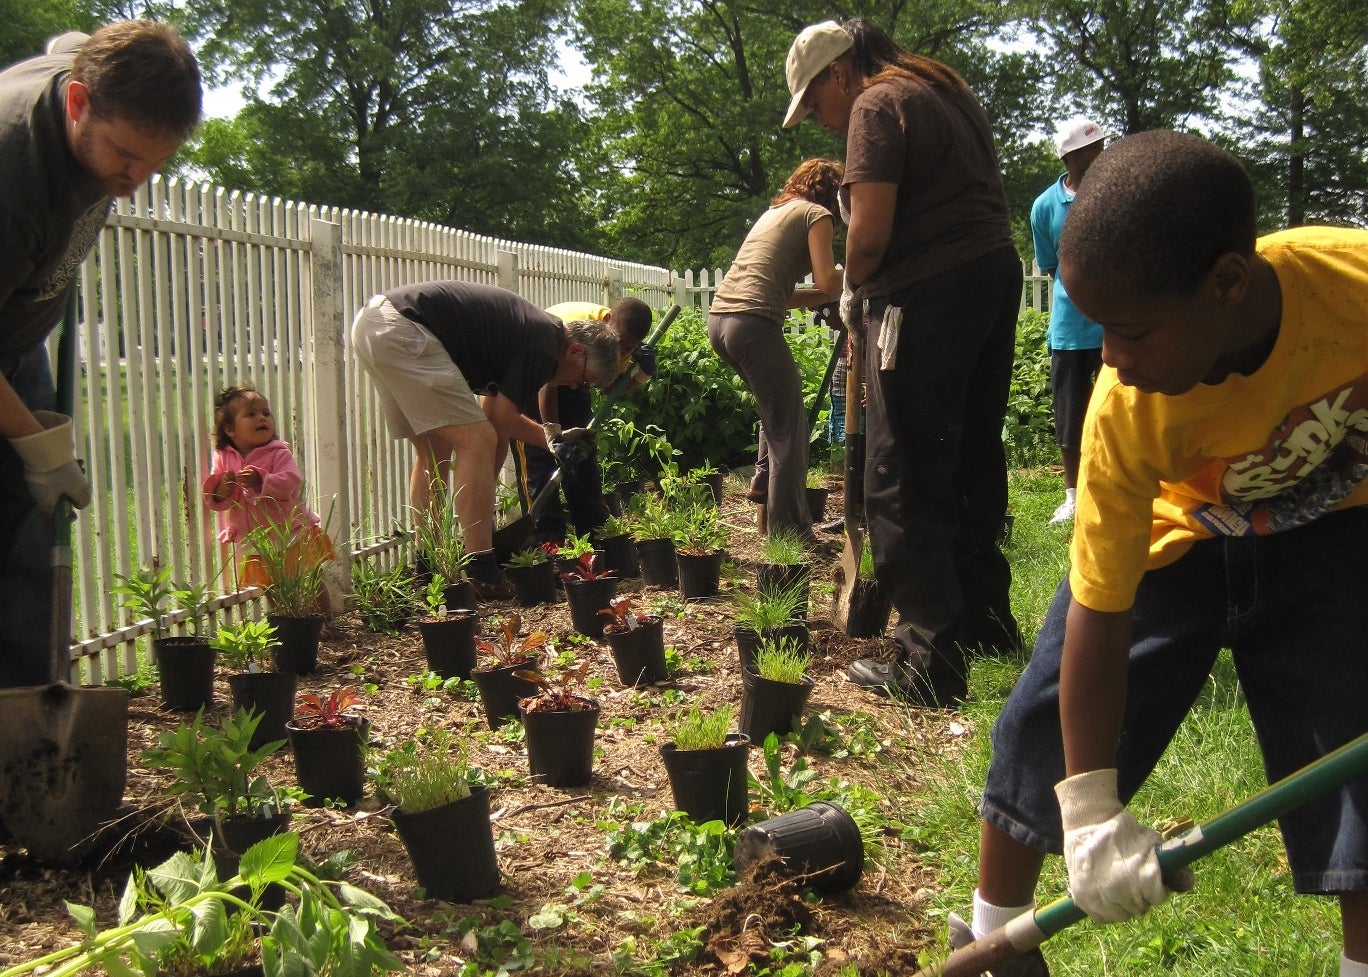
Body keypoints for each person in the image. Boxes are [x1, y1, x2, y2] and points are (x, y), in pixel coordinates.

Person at [952, 130, 1368, 977]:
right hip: (1179, 539)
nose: (1110, 356)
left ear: (1226, 284)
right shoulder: (1124, 410)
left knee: (1351, 751)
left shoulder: (1353, 287)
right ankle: (995, 939)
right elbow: (1101, 614)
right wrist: (1092, 811)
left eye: (1132, 330)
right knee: (1047, 715)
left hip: (1330, 533)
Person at [782, 19, 1021, 704]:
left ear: (836, 72)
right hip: (989, 275)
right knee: (970, 451)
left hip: (930, 292)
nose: (822, 120)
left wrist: (855, 292)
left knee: (902, 468)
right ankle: (985, 622)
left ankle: (929, 661)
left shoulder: (875, 104)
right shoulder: (935, 89)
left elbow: (871, 231)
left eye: (814, 102)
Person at [0, 21, 201, 688]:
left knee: (29, 533)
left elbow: (66, 48)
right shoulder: (11, 175)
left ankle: (29, 716)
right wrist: (38, 444)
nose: (138, 179)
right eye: (125, 156)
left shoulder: (89, 94)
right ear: (78, 103)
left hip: (17, 338)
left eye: (156, 162)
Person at [350, 281, 622, 600]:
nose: (576, 387)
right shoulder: (545, 346)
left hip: (376, 324)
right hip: (404, 328)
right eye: (584, 378)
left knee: (434, 452)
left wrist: (553, 442)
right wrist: (483, 490)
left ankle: (426, 566)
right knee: (475, 440)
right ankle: (480, 567)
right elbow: (494, 430)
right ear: (576, 351)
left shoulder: (533, 335)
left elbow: (496, 415)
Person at [708, 158, 845, 545]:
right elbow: (828, 278)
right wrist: (859, 273)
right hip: (751, 325)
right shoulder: (817, 215)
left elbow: (785, 294)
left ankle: (763, 484)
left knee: (776, 414)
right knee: (790, 429)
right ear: (834, 193)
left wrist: (823, 294)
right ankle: (791, 534)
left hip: (721, 321)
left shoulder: (777, 211)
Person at [510, 297, 654, 546]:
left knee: (580, 453)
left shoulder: (619, 341)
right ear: (609, 321)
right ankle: (548, 541)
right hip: (534, 382)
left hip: (574, 375)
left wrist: (643, 375)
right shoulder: (568, 327)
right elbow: (549, 386)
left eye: (630, 348)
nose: (622, 352)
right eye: (621, 344)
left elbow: (609, 387)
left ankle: (593, 533)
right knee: (539, 464)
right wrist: (553, 437)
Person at [1030, 117, 1106, 526]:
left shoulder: (1116, 194)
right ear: (1072, 156)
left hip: (1115, 325)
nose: (1101, 155)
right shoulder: (1045, 206)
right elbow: (1048, 264)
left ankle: (1119, 486)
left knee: (1120, 408)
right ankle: (1073, 496)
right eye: (1094, 149)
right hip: (1070, 329)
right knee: (1070, 415)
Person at [202, 386, 331, 594]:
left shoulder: (278, 453)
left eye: (266, 413)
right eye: (251, 414)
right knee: (270, 587)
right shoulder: (223, 457)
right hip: (254, 537)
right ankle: (282, 623)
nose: (261, 418)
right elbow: (218, 498)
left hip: (290, 531)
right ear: (229, 429)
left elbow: (291, 482)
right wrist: (224, 486)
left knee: (309, 580)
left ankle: (323, 622)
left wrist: (261, 480)